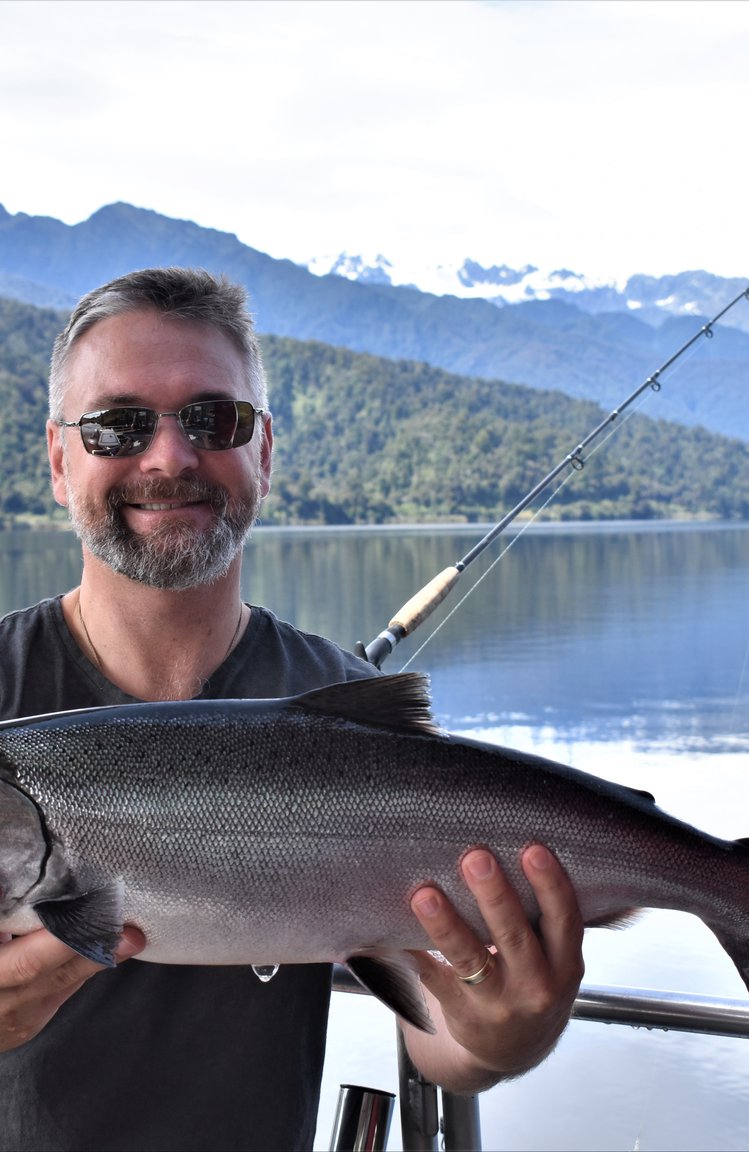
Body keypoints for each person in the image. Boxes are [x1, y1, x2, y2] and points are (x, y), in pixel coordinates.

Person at [0, 267, 585, 1151]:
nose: (168, 457)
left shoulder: (342, 699)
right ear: (57, 459)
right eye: (119, 424)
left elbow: (439, 1025)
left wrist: (504, 1032)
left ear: (264, 451)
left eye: (214, 420)